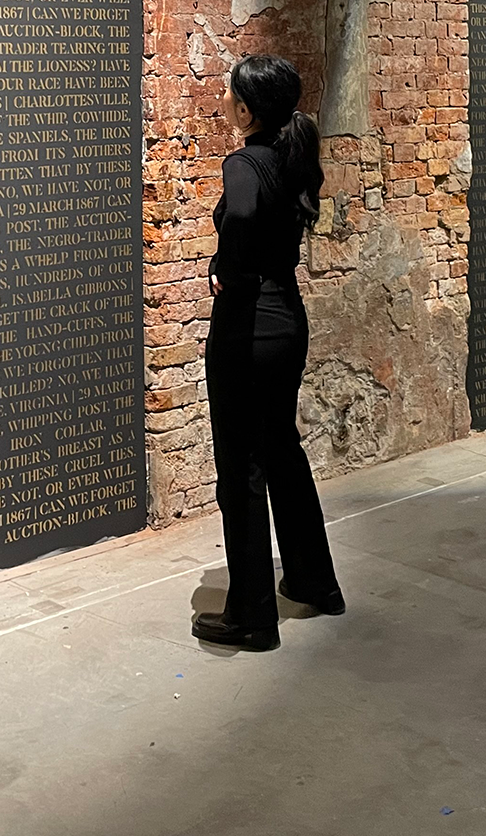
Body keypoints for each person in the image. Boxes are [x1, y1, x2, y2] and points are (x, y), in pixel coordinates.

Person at [192, 54, 346, 651]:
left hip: (246, 327)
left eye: (230, 96)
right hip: (287, 319)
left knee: (242, 470)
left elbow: (245, 215)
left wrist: (226, 269)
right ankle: (315, 582)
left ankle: (252, 616)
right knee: (282, 451)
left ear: (248, 109)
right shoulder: (291, 156)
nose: (224, 102)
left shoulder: (246, 163)